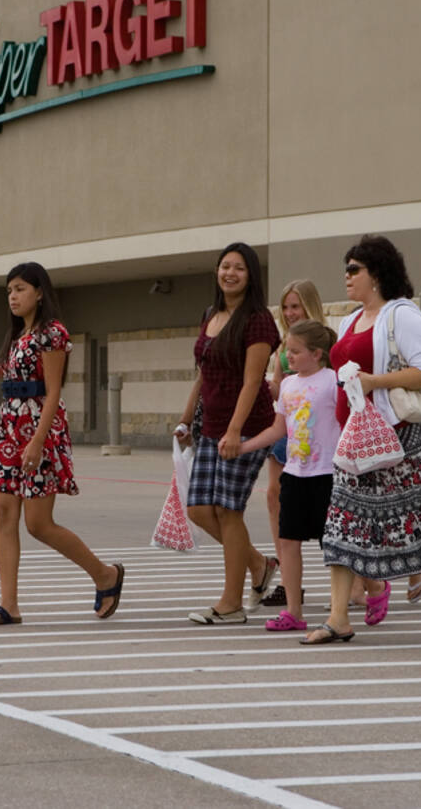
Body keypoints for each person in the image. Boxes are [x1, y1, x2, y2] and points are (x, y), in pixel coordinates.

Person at [303, 234, 421, 644]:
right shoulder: (351, 320)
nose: (347, 276)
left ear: (377, 274)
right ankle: (338, 618)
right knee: (341, 526)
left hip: (407, 442)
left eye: (354, 269)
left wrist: (374, 381)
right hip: (359, 441)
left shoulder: (403, 315)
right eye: (346, 269)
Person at [0, 262, 124, 627]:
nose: (13, 296)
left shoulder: (51, 333)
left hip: (40, 430)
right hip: (10, 430)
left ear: (40, 292)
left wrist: (38, 440)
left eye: (21, 288)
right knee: (3, 514)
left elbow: (54, 390)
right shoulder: (16, 334)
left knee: (39, 524)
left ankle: (105, 575)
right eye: (9, 290)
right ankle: (9, 605)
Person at [174, 242, 282, 624]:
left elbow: (253, 381)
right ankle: (258, 564)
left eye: (239, 268)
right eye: (224, 266)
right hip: (210, 427)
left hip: (248, 426)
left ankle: (231, 603)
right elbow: (204, 372)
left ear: (250, 275)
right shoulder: (212, 314)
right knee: (200, 509)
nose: (230, 273)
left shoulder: (257, 321)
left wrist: (236, 432)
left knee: (228, 510)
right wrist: (187, 419)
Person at [240, 319, 340, 631]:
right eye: (286, 352)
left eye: (295, 352)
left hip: (328, 474)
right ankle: (294, 612)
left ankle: (353, 600)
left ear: (317, 354)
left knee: (334, 544)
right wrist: (244, 446)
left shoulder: (333, 381)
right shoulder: (287, 385)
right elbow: (278, 428)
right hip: (295, 473)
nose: (289, 357)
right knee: (287, 542)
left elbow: (351, 419)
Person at [258, 279, 327, 608]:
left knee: (326, 509)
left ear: (309, 306)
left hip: (316, 432)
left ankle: (358, 581)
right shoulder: (284, 346)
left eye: (295, 306)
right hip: (285, 428)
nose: (288, 313)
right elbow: (278, 385)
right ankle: (288, 582)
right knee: (274, 496)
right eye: (285, 307)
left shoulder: (321, 340)